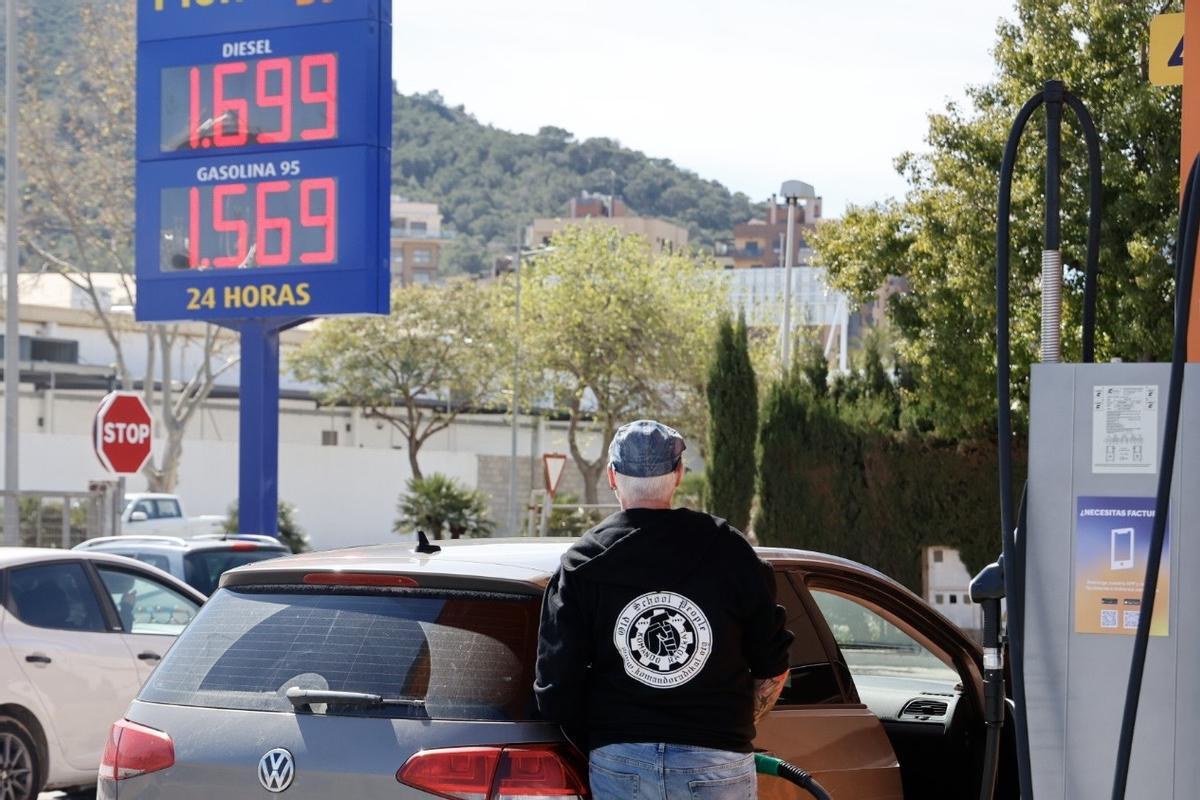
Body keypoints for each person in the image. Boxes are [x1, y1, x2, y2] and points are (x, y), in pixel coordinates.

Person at [535, 419, 793, 800]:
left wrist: (610, 733)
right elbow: (773, 665)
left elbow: (555, 692)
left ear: (611, 476)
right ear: (678, 474)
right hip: (715, 761)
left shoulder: (581, 563)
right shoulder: (730, 552)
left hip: (619, 763)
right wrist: (723, 725)